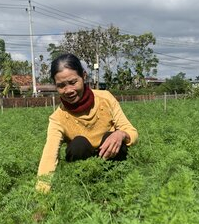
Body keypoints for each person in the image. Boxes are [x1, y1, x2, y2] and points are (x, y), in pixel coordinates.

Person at [36, 53, 138, 192]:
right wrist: (41, 195)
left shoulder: (105, 98)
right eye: (61, 86)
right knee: (78, 144)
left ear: (83, 76)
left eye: (73, 82)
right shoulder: (58, 118)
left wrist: (121, 134)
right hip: (83, 173)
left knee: (113, 137)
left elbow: (131, 132)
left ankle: (117, 186)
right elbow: (49, 156)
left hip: (112, 163)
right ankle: (84, 189)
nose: (68, 90)